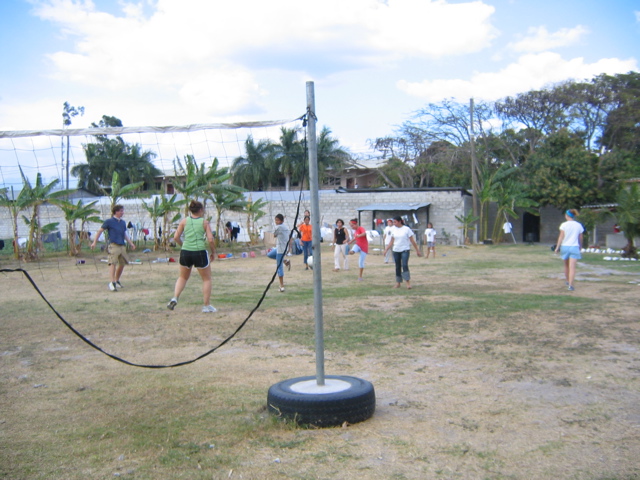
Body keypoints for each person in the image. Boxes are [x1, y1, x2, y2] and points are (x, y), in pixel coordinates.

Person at [167, 201, 217, 312]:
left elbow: (175, 237)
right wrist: (213, 252)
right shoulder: (204, 223)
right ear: (200, 210)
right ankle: (206, 305)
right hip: (199, 251)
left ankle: (175, 297)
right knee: (206, 279)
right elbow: (210, 239)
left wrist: (183, 245)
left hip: (185, 252)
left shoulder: (184, 221)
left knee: (183, 277)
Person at [91, 204, 136, 292]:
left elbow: (124, 234)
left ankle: (116, 280)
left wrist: (131, 243)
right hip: (113, 245)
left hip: (122, 245)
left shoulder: (123, 223)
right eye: (121, 211)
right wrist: (94, 242)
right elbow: (100, 231)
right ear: (116, 212)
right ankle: (112, 282)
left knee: (122, 263)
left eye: (123, 211)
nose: (123, 212)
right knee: (112, 263)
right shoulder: (109, 221)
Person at [384, 216, 422, 289]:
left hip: (405, 250)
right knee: (397, 266)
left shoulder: (406, 229)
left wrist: (417, 250)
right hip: (396, 250)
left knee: (404, 265)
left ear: (399, 221)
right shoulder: (393, 230)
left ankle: (408, 283)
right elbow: (392, 241)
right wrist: (386, 249)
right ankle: (398, 282)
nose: (394, 223)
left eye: (395, 222)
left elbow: (412, 240)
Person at [554, 209, 584, 292]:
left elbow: (561, 237)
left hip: (565, 247)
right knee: (572, 267)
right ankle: (571, 285)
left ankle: (567, 280)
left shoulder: (564, 225)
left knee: (566, 265)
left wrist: (557, 247)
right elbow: (580, 237)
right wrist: (580, 246)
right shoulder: (578, 225)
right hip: (574, 246)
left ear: (567, 215)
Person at [267, 213, 291, 292]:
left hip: (281, 249)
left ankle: (282, 286)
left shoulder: (279, 227)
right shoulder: (285, 227)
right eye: (276, 220)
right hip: (280, 247)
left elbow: (274, 235)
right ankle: (285, 260)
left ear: (281, 221)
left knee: (279, 267)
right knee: (270, 254)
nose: (276, 222)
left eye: (277, 220)